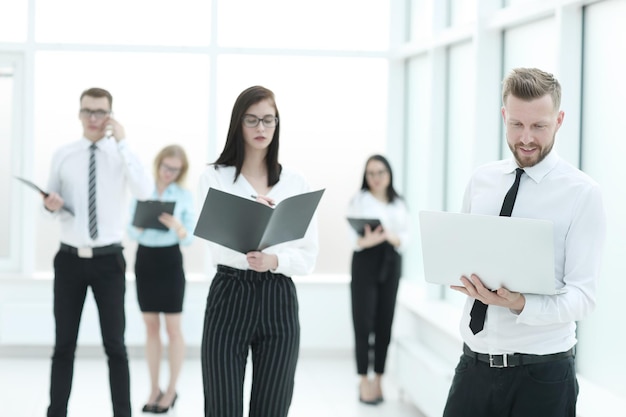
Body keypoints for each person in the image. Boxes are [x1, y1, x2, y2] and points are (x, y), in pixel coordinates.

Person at [442, 68, 606, 417]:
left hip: (543, 377)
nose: (526, 138)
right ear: (504, 116)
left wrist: (520, 304)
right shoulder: (481, 180)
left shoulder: (582, 194)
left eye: (539, 126)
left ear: (559, 120)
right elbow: (462, 253)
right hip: (473, 367)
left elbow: (583, 298)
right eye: (517, 124)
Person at [197, 85, 319, 417]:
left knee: (273, 407)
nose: (261, 128)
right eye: (252, 120)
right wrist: (251, 217)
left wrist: (274, 260)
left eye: (268, 120)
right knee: (222, 406)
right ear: (238, 123)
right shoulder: (214, 178)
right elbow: (212, 243)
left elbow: (308, 254)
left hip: (278, 295)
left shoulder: (295, 182)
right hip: (230, 292)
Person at [43, 87, 153, 417]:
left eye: (100, 112)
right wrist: (50, 206)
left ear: (110, 116)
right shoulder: (63, 154)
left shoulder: (121, 155)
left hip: (109, 261)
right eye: (88, 111)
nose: (94, 118)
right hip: (69, 260)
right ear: (79, 114)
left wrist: (123, 142)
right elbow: (50, 206)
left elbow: (145, 192)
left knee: (115, 347)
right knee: (63, 346)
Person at [127, 144, 195, 413]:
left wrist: (177, 226)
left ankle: (170, 390)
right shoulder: (142, 191)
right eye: (166, 167)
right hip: (145, 260)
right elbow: (131, 232)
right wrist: (139, 224)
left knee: (173, 329)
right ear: (158, 164)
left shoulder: (185, 196)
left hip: (170, 261)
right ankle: (154, 388)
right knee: (151, 327)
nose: (169, 173)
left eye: (175, 170)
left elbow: (189, 237)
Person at [347, 154, 410, 405]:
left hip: (391, 262)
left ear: (389, 175)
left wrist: (391, 236)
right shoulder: (359, 201)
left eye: (381, 172)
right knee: (363, 322)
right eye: (371, 173)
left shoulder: (398, 203)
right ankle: (363, 379)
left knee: (385, 321)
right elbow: (354, 239)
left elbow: (405, 238)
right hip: (365, 261)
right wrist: (370, 240)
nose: (376, 178)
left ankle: (379, 380)